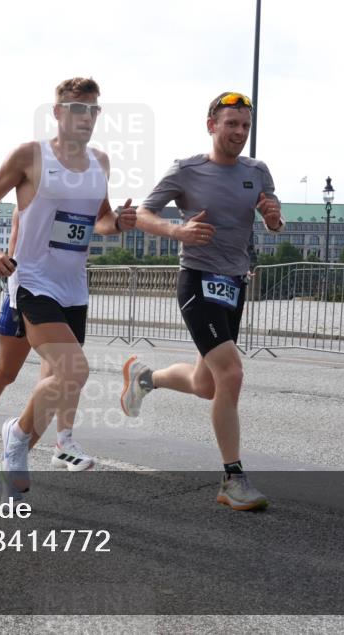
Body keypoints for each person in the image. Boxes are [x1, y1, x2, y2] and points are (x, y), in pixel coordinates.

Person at [120, 91, 283, 511]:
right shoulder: (188, 170)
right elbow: (142, 213)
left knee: (206, 385)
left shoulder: (257, 171)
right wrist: (178, 231)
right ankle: (233, 478)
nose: (239, 133)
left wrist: (272, 217)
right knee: (231, 373)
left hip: (234, 284)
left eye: (245, 126)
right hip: (197, 281)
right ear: (212, 125)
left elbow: (274, 218)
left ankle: (144, 379)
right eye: (231, 124)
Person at [0, 76, 136, 495]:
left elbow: (99, 218)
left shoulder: (100, 162)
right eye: (77, 109)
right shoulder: (30, 155)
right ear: (58, 112)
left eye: (93, 110)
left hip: (73, 287)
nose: (86, 118)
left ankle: (16, 456)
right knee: (73, 370)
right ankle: (13, 435)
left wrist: (118, 223)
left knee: (61, 381)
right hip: (32, 280)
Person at [0, 209, 93, 469]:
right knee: (6, 373)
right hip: (25, 299)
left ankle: (63, 441)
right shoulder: (33, 204)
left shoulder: (79, 199)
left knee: (66, 371)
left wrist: (114, 221)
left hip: (63, 299)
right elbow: (16, 250)